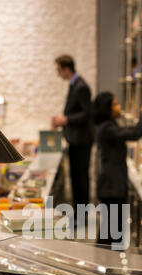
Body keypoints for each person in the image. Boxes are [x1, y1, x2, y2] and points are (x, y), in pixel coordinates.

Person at [92, 92, 142, 247]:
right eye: (115, 104)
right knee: (111, 234)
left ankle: (105, 265)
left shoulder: (108, 127)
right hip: (111, 187)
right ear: (107, 109)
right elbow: (135, 133)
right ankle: (105, 266)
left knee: (111, 231)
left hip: (111, 186)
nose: (119, 108)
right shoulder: (107, 129)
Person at [52, 55, 94, 214]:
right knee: (76, 178)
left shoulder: (81, 86)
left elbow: (87, 113)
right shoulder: (75, 84)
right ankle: (79, 213)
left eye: (58, 70)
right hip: (76, 140)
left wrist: (66, 119)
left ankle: (81, 215)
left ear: (66, 69)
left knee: (80, 179)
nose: (58, 74)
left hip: (81, 141)